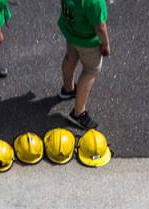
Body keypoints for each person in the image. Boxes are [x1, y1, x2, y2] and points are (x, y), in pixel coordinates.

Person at [58, 0, 111, 130]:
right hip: (88, 41)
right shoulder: (94, 2)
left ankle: (68, 89)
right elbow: (100, 27)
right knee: (90, 71)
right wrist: (105, 44)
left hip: (71, 31)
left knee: (70, 57)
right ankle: (78, 112)